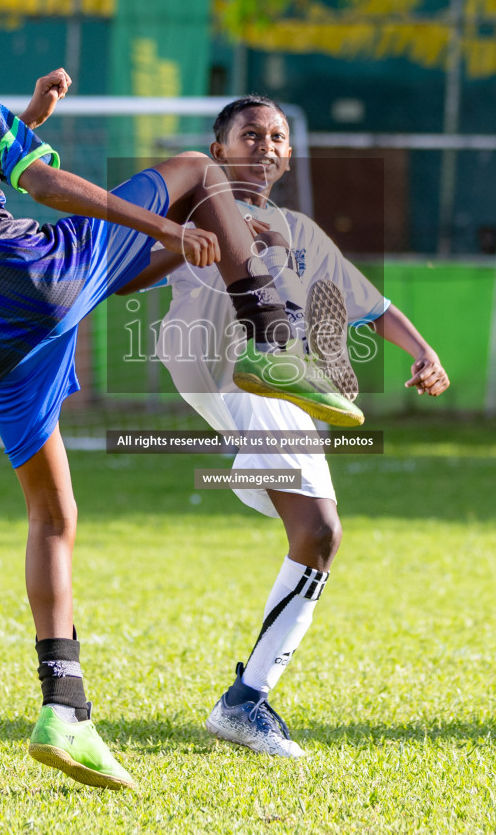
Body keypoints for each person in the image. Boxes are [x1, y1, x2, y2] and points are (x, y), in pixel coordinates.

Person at [0, 0, 359, 791]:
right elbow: (41, 184)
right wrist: (163, 218)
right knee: (196, 172)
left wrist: (29, 115)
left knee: (53, 515)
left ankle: (65, 710)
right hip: (36, 277)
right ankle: (269, 333)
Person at [136, 95, 449, 757]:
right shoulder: (197, 205)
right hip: (212, 355)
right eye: (251, 134)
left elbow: (375, 304)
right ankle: (246, 704)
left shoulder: (302, 232)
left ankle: (247, 696)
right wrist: (210, 241)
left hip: (268, 396)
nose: (268, 145)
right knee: (319, 525)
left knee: (318, 535)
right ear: (218, 153)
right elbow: (135, 267)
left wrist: (423, 352)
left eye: (278, 135)